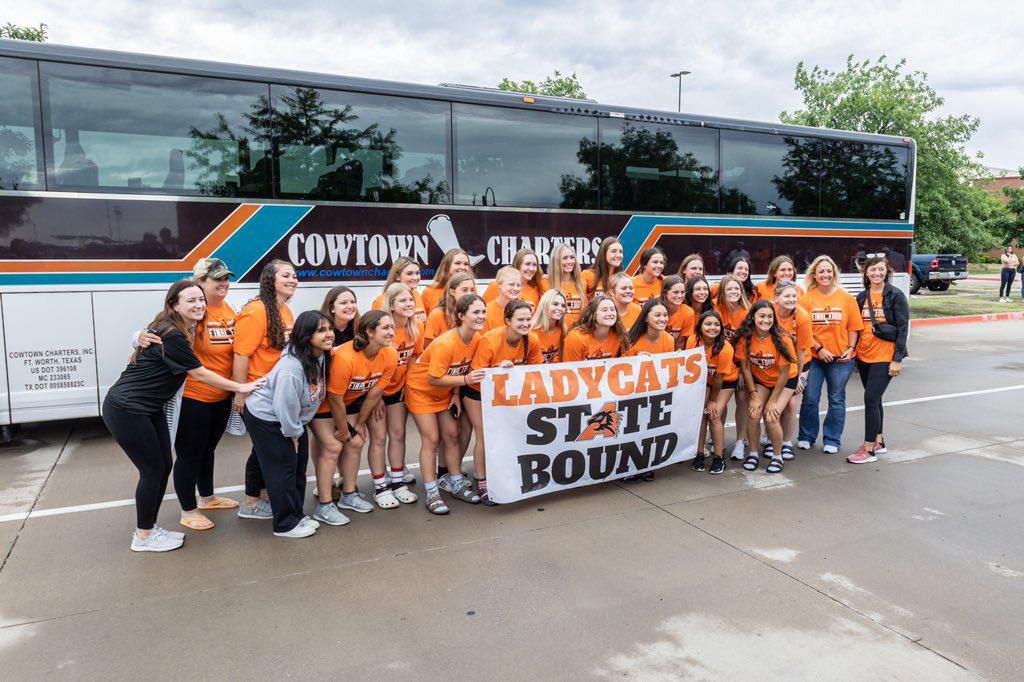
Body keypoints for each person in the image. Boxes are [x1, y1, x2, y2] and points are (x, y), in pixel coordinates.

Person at [105, 280, 262, 552]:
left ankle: (150, 529)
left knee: (163, 465)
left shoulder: (178, 326)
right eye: (191, 300)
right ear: (174, 305)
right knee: (153, 470)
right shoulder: (174, 333)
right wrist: (240, 386)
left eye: (201, 299)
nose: (199, 304)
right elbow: (199, 373)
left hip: (147, 408)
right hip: (127, 408)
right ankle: (143, 536)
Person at [242, 310, 332, 538]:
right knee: (282, 467)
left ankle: (296, 515)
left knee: (298, 465)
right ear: (305, 335)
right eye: (321, 330)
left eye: (329, 329)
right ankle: (284, 524)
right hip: (268, 417)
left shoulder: (320, 355)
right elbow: (284, 405)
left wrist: (296, 430)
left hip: (292, 419)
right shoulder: (291, 368)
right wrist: (292, 434)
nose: (329, 334)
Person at [405, 294, 487, 514]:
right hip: (421, 390)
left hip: (445, 392)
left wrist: (456, 393)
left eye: (483, 312)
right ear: (461, 316)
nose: (481, 317)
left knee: (452, 434)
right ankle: (432, 492)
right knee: (432, 439)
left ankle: (456, 482)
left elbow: (462, 368)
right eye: (475, 312)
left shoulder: (478, 338)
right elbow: (433, 377)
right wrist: (464, 381)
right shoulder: (446, 342)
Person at [233, 260, 297, 520]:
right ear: (270, 280)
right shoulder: (256, 311)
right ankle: (250, 503)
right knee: (265, 449)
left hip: (277, 392)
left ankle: (262, 499)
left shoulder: (285, 311)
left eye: (294, 275)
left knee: (261, 449)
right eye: (285, 275)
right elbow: (241, 355)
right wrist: (241, 392)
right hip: (258, 392)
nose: (293, 279)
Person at [323, 311, 399, 522]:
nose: (391, 332)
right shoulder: (345, 357)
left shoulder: (390, 354)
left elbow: (374, 393)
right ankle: (325, 499)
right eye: (385, 328)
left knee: (356, 441)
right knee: (334, 446)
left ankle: (349, 494)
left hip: (350, 404)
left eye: (392, 327)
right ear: (369, 332)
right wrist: (344, 429)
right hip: (322, 406)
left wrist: (358, 423)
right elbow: (334, 399)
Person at [464, 300, 542, 504]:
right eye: (520, 320)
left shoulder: (531, 340)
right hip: (476, 393)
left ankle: (503, 476)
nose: (525, 324)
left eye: (528, 319)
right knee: (484, 436)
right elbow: (475, 374)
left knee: (507, 435)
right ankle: (482, 483)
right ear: (507, 320)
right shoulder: (490, 340)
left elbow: (536, 372)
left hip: (505, 395)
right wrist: (498, 370)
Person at [797, 255, 864, 454]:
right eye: (821, 272)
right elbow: (804, 331)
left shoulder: (847, 298)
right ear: (814, 276)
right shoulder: (807, 299)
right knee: (810, 398)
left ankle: (832, 439)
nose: (825, 275)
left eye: (829, 271)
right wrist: (819, 349)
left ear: (834, 273)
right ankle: (806, 436)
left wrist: (851, 349)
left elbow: (854, 327)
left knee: (836, 399)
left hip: (841, 359)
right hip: (815, 358)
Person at [849, 255, 910, 464]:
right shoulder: (861, 297)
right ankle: (879, 440)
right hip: (864, 355)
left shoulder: (896, 295)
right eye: (873, 270)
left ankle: (868, 450)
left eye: (881, 270)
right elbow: (856, 328)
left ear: (887, 271)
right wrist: (854, 354)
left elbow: (903, 329)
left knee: (870, 399)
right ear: (866, 273)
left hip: (885, 356)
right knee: (875, 399)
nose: (877, 273)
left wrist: (897, 359)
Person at [367, 283, 422, 506]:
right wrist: (376, 396)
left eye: (410, 300)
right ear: (391, 305)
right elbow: (371, 364)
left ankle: (398, 482)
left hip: (398, 389)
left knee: (398, 434)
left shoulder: (415, 327)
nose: (409, 304)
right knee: (379, 438)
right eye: (402, 301)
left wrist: (406, 386)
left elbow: (412, 359)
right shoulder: (382, 329)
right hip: (375, 390)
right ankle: (381, 487)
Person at [309, 285, 360, 506]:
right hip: (322, 397)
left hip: (348, 397)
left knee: (353, 441)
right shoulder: (321, 329)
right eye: (343, 302)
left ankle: (346, 485)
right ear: (331, 308)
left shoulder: (359, 330)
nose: (350, 306)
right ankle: (324, 486)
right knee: (327, 443)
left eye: (352, 301)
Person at [734, 300, 798, 474]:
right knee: (753, 413)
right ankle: (753, 454)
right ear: (753, 317)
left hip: (785, 381)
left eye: (770, 316)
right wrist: (754, 395)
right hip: (762, 380)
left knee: (771, 415)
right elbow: (745, 367)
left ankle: (777, 456)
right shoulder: (745, 337)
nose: (766, 320)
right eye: (762, 316)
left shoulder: (782, 338)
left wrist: (773, 400)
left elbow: (784, 373)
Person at [686, 310, 737, 475]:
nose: (712, 328)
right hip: (705, 380)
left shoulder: (725, 348)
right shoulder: (693, 340)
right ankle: (699, 454)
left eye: (716, 324)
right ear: (700, 326)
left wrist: (712, 401)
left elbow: (719, 379)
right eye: (708, 324)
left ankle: (719, 457)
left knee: (713, 414)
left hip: (724, 382)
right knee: (701, 414)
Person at [772, 281, 813, 462]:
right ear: (776, 298)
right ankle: (773, 440)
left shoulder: (802, 317)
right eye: (787, 296)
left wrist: (797, 377)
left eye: (794, 296)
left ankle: (786, 442)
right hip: (773, 365)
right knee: (771, 404)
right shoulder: (769, 313)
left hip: (798, 365)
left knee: (790, 404)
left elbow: (802, 351)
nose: (791, 299)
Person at [714, 273, 752, 460]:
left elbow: (747, 345)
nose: (733, 291)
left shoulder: (747, 311)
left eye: (737, 288)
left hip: (741, 362)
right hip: (721, 363)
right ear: (722, 290)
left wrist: (744, 373)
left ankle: (739, 441)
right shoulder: (716, 308)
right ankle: (716, 437)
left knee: (742, 399)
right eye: (729, 288)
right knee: (720, 403)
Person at [562, 295, 630, 361]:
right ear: (592, 314)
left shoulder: (619, 335)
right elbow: (570, 370)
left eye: (612, 309)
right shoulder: (575, 338)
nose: (610, 313)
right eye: (604, 310)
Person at [423, 272, 476, 346]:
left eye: (472, 290)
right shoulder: (437, 314)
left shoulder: (472, 314)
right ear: (452, 292)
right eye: (464, 290)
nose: (470, 294)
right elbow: (427, 348)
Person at [372, 257, 426, 323]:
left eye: (417, 273)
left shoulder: (416, 294)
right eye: (409, 273)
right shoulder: (382, 300)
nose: (415, 277)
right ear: (397, 276)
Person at [546, 242, 587, 326]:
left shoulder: (582, 283)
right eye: (565, 258)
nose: (569, 261)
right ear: (556, 260)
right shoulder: (545, 282)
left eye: (572, 257)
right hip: (555, 334)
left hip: (575, 334)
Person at [421, 248, 473, 312]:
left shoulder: (471, 289)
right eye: (457, 263)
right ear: (447, 266)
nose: (462, 267)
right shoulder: (429, 292)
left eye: (466, 264)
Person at [532, 288, 569, 363]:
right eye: (555, 304)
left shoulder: (563, 330)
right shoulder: (531, 330)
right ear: (545, 305)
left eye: (563, 306)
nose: (560, 308)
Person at [661, 275, 695, 349]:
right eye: (675, 292)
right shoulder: (655, 308)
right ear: (665, 293)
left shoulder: (688, 312)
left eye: (682, 292)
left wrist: (675, 356)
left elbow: (681, 342)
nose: (680, 296)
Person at [484, 266, 522, 331]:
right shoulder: (487, 311)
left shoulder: (523, 309)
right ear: (499, 285)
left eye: (518, 285)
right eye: (511, 284)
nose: (516, 288)